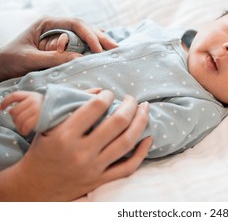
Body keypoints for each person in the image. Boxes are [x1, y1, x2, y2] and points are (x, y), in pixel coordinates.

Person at [0, 0, 228, 171]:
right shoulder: (158, 31)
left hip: (26, 136)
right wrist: (73, 42)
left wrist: (58, 108)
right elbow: (108, 39)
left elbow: (134, 129)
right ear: (216, 18)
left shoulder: (199, 107)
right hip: (12, 83)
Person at [0, 17, 152, 201]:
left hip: (26, 129)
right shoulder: (149, 28)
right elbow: (102, 38)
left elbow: (143, 126)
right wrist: (69, 42)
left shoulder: (194, 104)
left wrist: (58, 109)